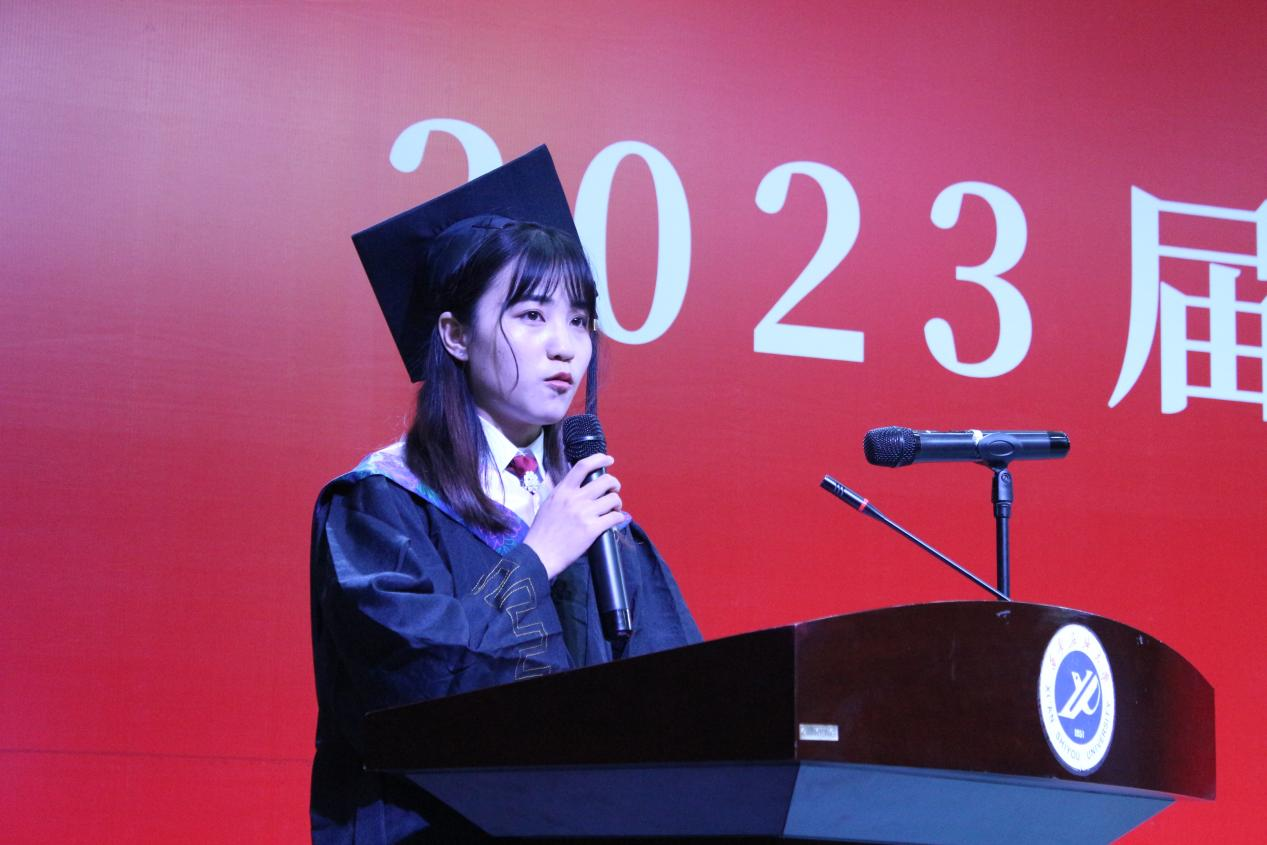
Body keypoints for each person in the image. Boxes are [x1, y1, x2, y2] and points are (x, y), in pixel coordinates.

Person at [309, 146, 701, 844]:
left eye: (579, 319)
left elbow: (681, 697)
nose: (565, 346)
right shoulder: (382, 504)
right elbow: (414, 691)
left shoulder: (599, 521)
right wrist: (537, 556)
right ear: (456, 335)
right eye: (531, 315)